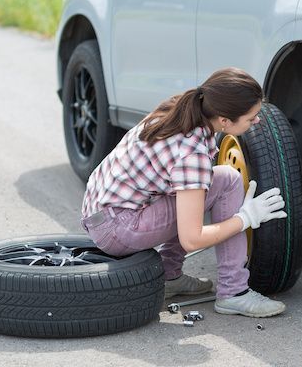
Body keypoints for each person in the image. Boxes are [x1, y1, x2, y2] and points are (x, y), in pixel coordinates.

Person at [80, 67, 288, 318]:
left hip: (102, 210)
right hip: (117, 227)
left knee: (221, 180)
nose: (257, 121)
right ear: (224, 121)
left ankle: (169, 276)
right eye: (251, 117)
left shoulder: (181, 108)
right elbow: (192, 239)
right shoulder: (192, 153)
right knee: (228, 182)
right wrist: (245, 218)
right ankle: (233, 293)